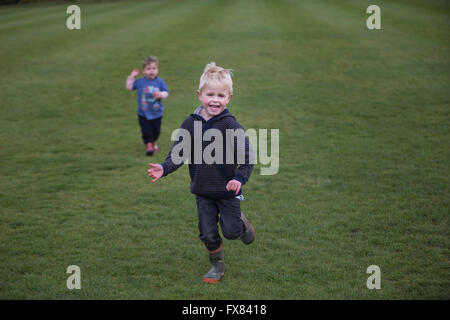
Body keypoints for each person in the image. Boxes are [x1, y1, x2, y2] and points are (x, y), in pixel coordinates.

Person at [148, 62, 255, 283]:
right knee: (207, 233)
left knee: (232, 231)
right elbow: (178, 152)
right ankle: (217, 265)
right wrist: (165, 167)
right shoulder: (190, 123)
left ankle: (241, 224)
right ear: (200, 95)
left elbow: (247, 158)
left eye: (220, 95)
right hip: (203, 190)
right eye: (210, 94)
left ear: (229, 98)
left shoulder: (231, 125)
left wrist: (238, 178)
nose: (215, 100)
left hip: (227, 191)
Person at [126, 56, 169, 156]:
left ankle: (154, 143)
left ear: (157, 70)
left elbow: (166, 92)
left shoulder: (160, 82)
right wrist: (131, 77)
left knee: (156, 131)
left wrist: (161, 94)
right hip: (143, 113)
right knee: (146, 131)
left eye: (154, 68)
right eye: (148, 69)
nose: (151, 71)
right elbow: (129, 87)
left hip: (157, 112)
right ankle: (149, 146)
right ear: (144, 71)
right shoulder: (140, 82)